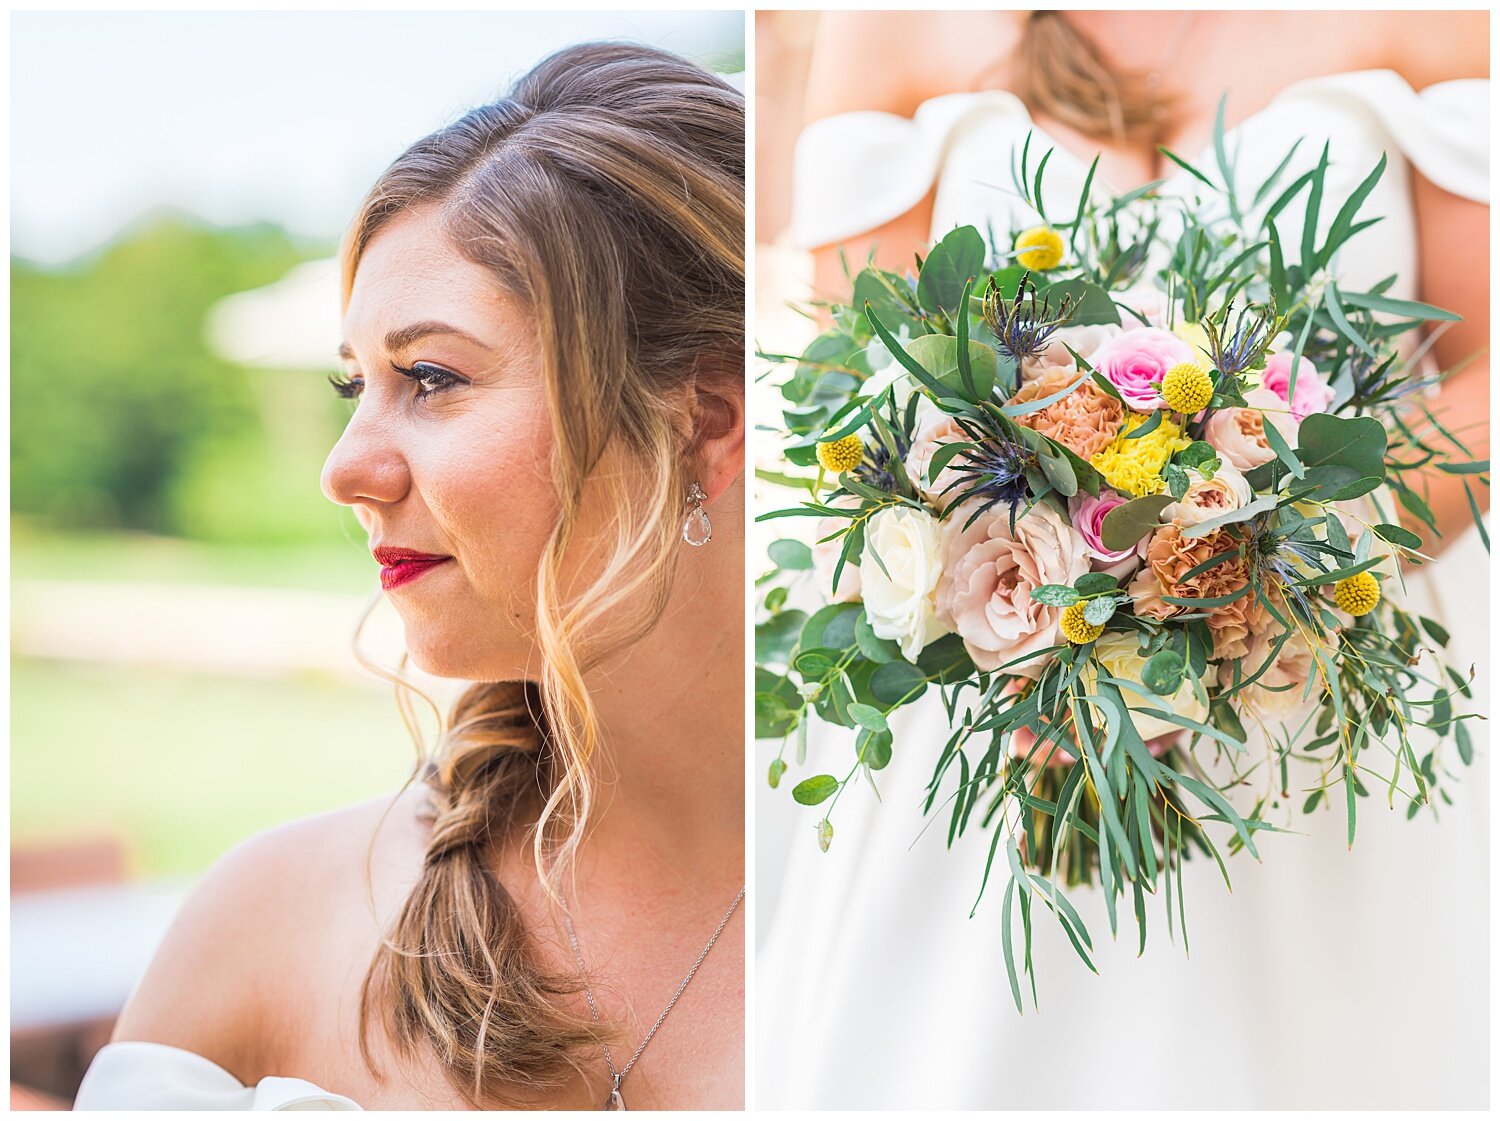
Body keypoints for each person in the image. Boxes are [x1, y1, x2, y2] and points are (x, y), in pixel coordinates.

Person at [759, 10, 1488, 1109]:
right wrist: (1042, 608)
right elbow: (848, 387)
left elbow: (1483, 369)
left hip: (1318, 704)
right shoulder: (893, 25)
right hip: (1003, 706)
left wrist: (1269, 555)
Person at [74, 42, 746, 1111]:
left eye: (430, 378)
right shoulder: (265, 926)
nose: (345, 467)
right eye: (356, 383)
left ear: (703, 421)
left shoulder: (978, 912)